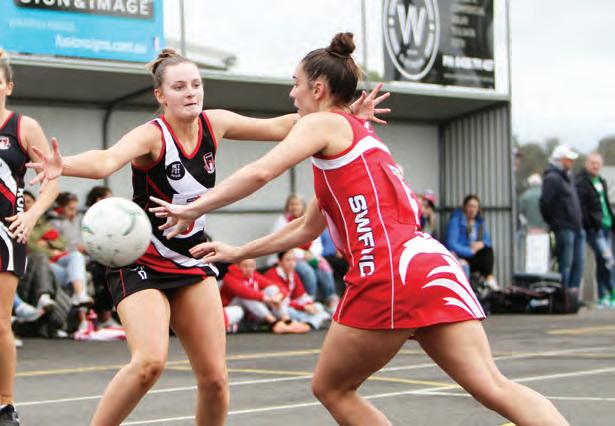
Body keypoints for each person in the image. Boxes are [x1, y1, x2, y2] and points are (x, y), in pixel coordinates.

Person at [147, 33, 568, 425]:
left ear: (317, 89)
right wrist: (239, 252)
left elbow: (261, 172)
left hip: (388, 271)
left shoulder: (322, 124)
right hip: (430, 262)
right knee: (493, 386)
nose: (291, 93)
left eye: (295, 84)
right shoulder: (352, 137)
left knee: (331, 387)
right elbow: (306, 229)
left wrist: (194, 207)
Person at [27, 47, 387, 425]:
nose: (191, 93)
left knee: (215, 379)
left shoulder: (215, 123)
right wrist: (63, 165)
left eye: (196, 85)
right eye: (179, 87)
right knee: (149, 363)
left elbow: (285, 126)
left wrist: (345, 115)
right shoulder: (152, 136)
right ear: (161, 95)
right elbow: (106, 160)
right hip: (142, 259)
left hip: (193, 257)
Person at [0, 49, 59, 426]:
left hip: (6, 233)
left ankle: (4, 404)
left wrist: (33, 214)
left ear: (8, 86)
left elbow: (52, 180)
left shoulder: (22, 127)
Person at [269, 193, 339, 312]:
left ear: (303, 206)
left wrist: (311, 254)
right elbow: (284, 243)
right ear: (287, 207)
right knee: (308, 272)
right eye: (291, 204)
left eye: (297, 204)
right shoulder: (282, 221)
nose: (294, 207)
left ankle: (330, 299)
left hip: (308, 256)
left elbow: (316, 240)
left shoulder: (308, 219)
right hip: (289, 257)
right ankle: (310, 301)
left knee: (324, 268)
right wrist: (303, 255)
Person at [540, 145, 585, 300]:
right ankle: (563, 296)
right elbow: (545, 204)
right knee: (566, 263)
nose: (571, 162)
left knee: (578, 263)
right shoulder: (552, 178)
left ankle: (573, 296)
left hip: (576, 227)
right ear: (560, 159)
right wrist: (555, 222)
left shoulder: (567, 177)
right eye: (568, 159)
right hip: (564, 228)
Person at [221, 258, 309, 333]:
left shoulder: (255, 276)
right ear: (237, 266)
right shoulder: (229, 277)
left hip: (256, 312)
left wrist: (279, 296)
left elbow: (278, 287)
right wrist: (268, 299)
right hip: (234, 312)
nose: (249, 269)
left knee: (272, 289)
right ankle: (274, 323)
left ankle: (287, 321)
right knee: (246, 296)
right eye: (245, 266)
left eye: (251, 266)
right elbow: (244, 292)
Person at [575, 152, 615, 308]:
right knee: (608, 260)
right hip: (594, 228)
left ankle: (603, 296)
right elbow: (582, 207)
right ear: (586, 164)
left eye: (598, 163)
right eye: (592, 163)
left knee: (602, 262)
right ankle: (611, 291)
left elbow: (605, 204)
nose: (595, 166)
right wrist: (589, 223)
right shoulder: (581, 182)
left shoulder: (601, 181)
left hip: (607, 226)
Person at [265, 250, 330, 330]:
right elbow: (283, 300)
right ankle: (311, 323)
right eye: (288, 260)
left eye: (293, 260)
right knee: (290, 311)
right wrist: (303, 307)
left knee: (318, 306)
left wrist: (309, 305)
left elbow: (301, 295)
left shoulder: (293, 274)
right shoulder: (272, 274)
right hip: (278, 308)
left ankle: (306, 323)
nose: (291, 263)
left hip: (294, 306)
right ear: (279, 262)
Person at [445, 194, 498, 290]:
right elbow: (451, 243)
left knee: (487, 249)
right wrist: (469, 251)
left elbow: (487, 240)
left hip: (474, 256)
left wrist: (481, 244)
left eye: (475, 207)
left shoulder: (479, 222)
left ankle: (489, 278)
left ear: (478, 209)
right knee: (483, 255)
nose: (472, 209)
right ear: (465, 207)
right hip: (460, 254)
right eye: (470, 206)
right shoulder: (456, 221)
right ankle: (488, 279)